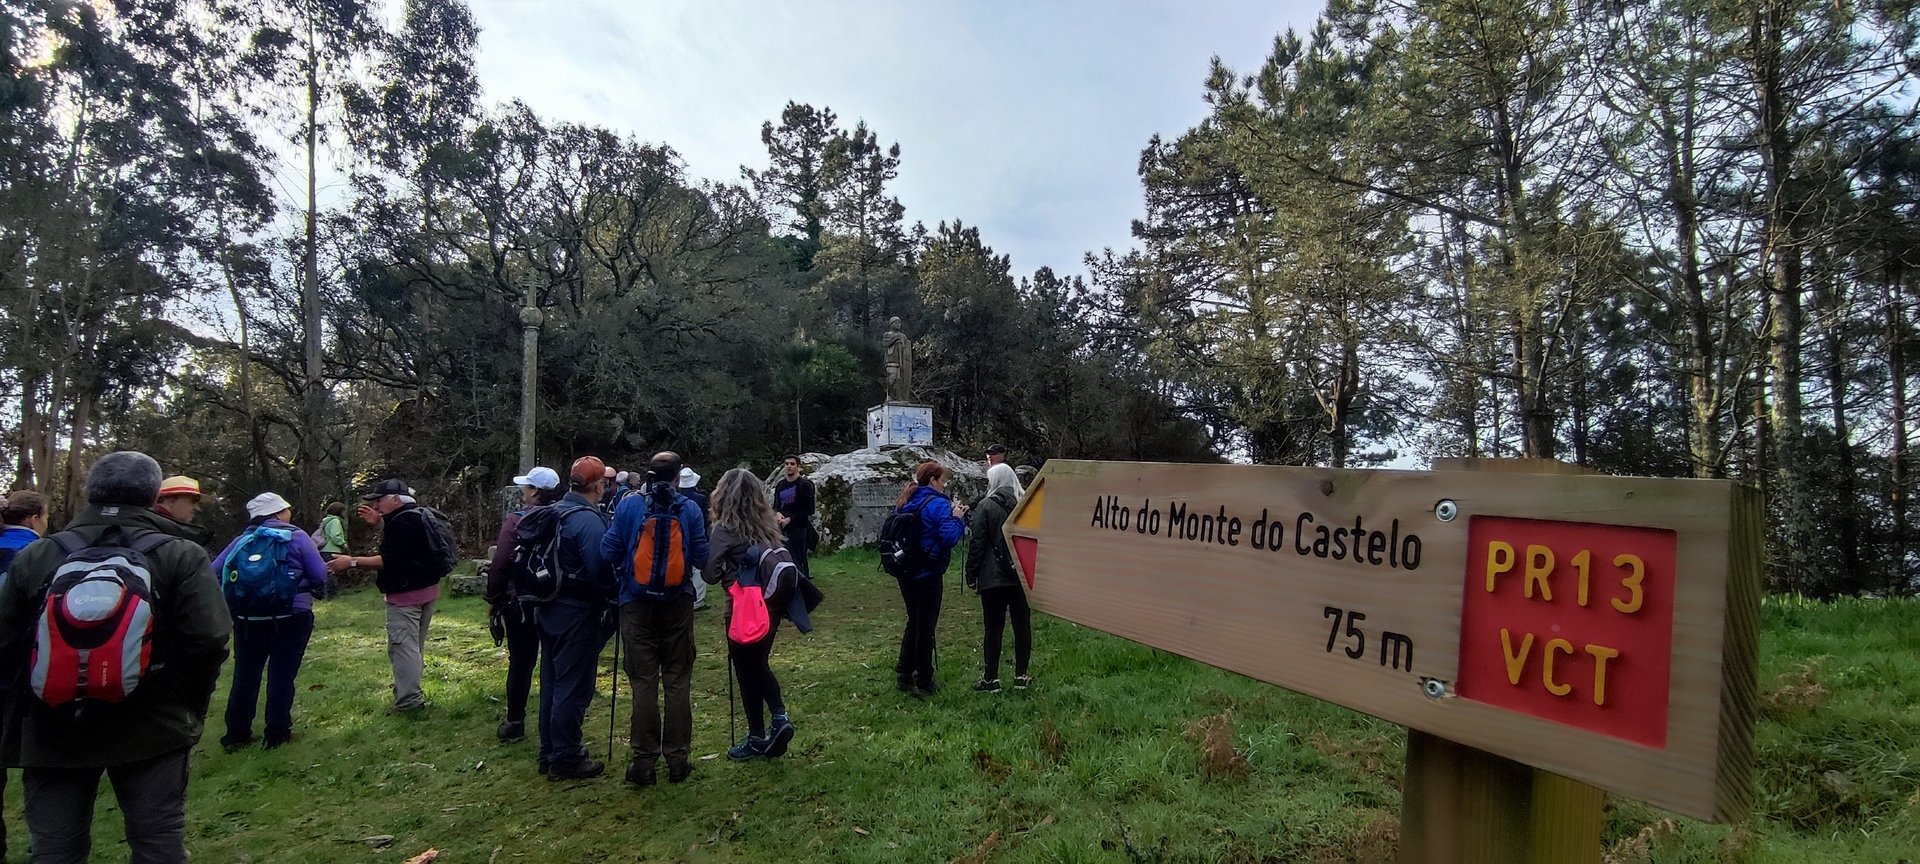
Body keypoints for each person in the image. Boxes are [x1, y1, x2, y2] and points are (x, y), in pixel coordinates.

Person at [0, 451, 231, 864]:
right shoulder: (179, 553)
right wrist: (187, 704)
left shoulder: (39, 555)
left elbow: (6, 642)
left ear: (90, 492)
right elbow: (209, 638)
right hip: (153, 724)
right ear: (153, 496)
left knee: (56, 848)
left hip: (52, 726)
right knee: (156, 841)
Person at [602, 451, 708, 788]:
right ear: (678, 476)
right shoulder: (689, 508)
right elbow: (702, 557)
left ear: (649, 474)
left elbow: (608, 550)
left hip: (635, 603)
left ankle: (644, 763)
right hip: (678, 604)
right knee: (677, 679)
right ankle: (677, 760)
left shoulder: (630, 505)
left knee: (643, 680)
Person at [327, 478, 454, 714]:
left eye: (379, 501)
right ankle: (408, 693)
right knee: (414, 647)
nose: (375, 506)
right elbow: (406, 550)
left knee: (403, 648)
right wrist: (379, 523)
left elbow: (389, 559)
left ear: (395, 499)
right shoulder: (418, 515)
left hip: (406, 596)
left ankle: (408, 702)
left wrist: (351, 561)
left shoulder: (401, 523)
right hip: (428, 591)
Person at [213, 492, 329, 750]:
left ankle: (236, 735)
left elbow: (213, 572)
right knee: (282, 674)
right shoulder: (297, 536)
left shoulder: (241, 541)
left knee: (245, 674)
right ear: (279, 512)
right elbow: (319, 574)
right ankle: (277, 734)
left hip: (248, 618)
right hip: (292, 615)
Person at [703, 468, 797, 761]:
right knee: (759, 663)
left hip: (741, 605)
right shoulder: (767, 523)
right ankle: (777, 719)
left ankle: (761, 732)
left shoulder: (725, 529)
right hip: (771, 602)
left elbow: (709, 574)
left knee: (746, 669)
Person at [535, 457, 616, 780]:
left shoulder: (553, 512)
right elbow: (600, 569)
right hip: (577, 612)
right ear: (598, 486)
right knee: (573, 685)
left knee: (551, 682)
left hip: (546, 606)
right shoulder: (587, 521)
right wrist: (614, 595)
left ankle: (549, 751)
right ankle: (566, 756)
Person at [483, 467, 563, 745]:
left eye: (527, 487)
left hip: (520, 601)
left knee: (521, 662)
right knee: (555, 662)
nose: (523, 491)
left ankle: (515, 722)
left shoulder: (516, 521)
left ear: (535, 491)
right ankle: (556, 724)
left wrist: (493, 599)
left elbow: (500, 563)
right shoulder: (565, 517)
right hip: (556, 599)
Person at [893, 461, 967, 697]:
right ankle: (924, 680)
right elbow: (949, 537)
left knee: (913, 620)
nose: (944, 485)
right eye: (942, 481)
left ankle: (904, 673)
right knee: (926, 626)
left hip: (905, 570)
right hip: (928, 572)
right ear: (933, 481)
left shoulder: (906, 500)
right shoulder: (938, 504)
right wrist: (957, 518)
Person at [0, 490, 47, 855]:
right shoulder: (39, 554)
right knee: (42, 762)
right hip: (27, 672)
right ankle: (44, 843)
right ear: (34, 518)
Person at [966, 464, 1031, 692]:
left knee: (993, 628)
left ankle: (991, 678)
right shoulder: (1025, 504)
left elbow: (977, 543)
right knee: (1022, 626)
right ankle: (1021, 675)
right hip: (1021, 574)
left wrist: (971, 574)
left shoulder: (985, 506)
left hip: (992, 576)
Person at [773, 456, 815, 578]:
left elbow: (809, 509)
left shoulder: (805, 485)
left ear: (798, 466)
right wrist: (778, 514)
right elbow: (776, 505)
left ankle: (803, 579)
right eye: (786, 464)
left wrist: (790, 519)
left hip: (799, 526)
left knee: (799, 556)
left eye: (792, 464)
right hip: (782, 526)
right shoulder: (780, 485)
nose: (789, 466)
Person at [678, 467, 710, 610]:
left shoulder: (676, 497)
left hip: (680, 535)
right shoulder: (700, 498)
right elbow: (705, 518)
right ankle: (698, 601)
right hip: (697, 534)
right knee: (698, 568)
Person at [150, 474, 213, 546]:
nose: (197, 508)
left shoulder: (148, 524)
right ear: (171, 500)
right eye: (193, 501)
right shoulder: (163, 537)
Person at [313, 502, 348, 599]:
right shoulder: (335, 521)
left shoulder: (325, 521)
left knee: (326, 571)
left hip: (323, 549)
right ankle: (331, 595)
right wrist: (343, 544)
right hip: (332, 549)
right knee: (332, 572)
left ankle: (322, 594)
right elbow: (335, 536)